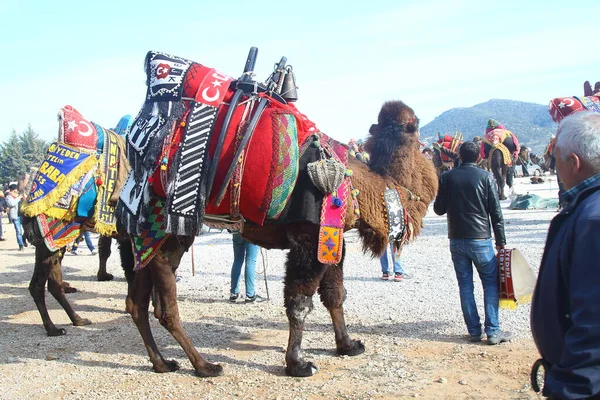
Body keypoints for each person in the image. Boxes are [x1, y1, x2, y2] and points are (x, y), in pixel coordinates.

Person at [530, 111, 600, 399]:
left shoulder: (593, 220)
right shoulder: (587, 209)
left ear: (574, 163)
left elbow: (594, 321)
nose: (553, 166)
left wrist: (571, 388)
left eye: (556, 158)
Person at [433, 141, 514, 345]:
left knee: (465, 285)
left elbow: (438, 210)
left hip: (456, 240)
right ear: (479, 157)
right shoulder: (486, 177)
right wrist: (500, 241)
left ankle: (474, 332)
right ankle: (493, 332)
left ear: (459, 155)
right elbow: (495, 212)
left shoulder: (447, 177)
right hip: (481, 239)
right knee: (490, 284)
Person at [229, 232, 264, 303]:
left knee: (237, 260)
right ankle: (250, 295)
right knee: (250, 261)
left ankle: (233, 293)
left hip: (237, 229)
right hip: (253, 231)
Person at [5, 183, 25, 250]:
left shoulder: (18, 195)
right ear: (13, 190)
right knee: (18, 231)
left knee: (26, 230)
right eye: (15, 190)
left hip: (22, 215)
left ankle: (23, 239)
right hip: (15, 216)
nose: (16, 191)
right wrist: (18, 198)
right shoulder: (8, 197)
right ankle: (21, 245)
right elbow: (11, 204)